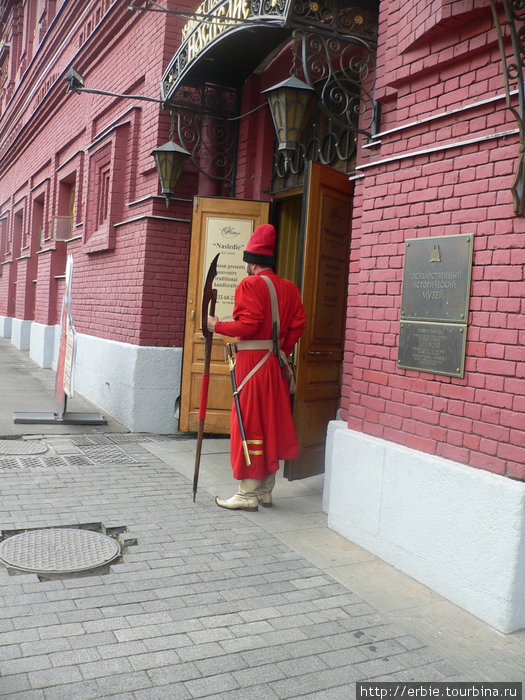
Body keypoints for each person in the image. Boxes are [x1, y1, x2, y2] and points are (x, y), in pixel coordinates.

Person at [207, 223, 306, 511]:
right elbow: (298, 325)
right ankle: (265, 490)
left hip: (252, 366)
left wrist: (217, 325)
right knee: (270, 424)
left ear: (251, 262)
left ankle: (247, 493)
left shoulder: (249, 284)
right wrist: (282, 351)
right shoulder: (289, 288)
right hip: (275, 365)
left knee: (249, 424)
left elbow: (247, 326)